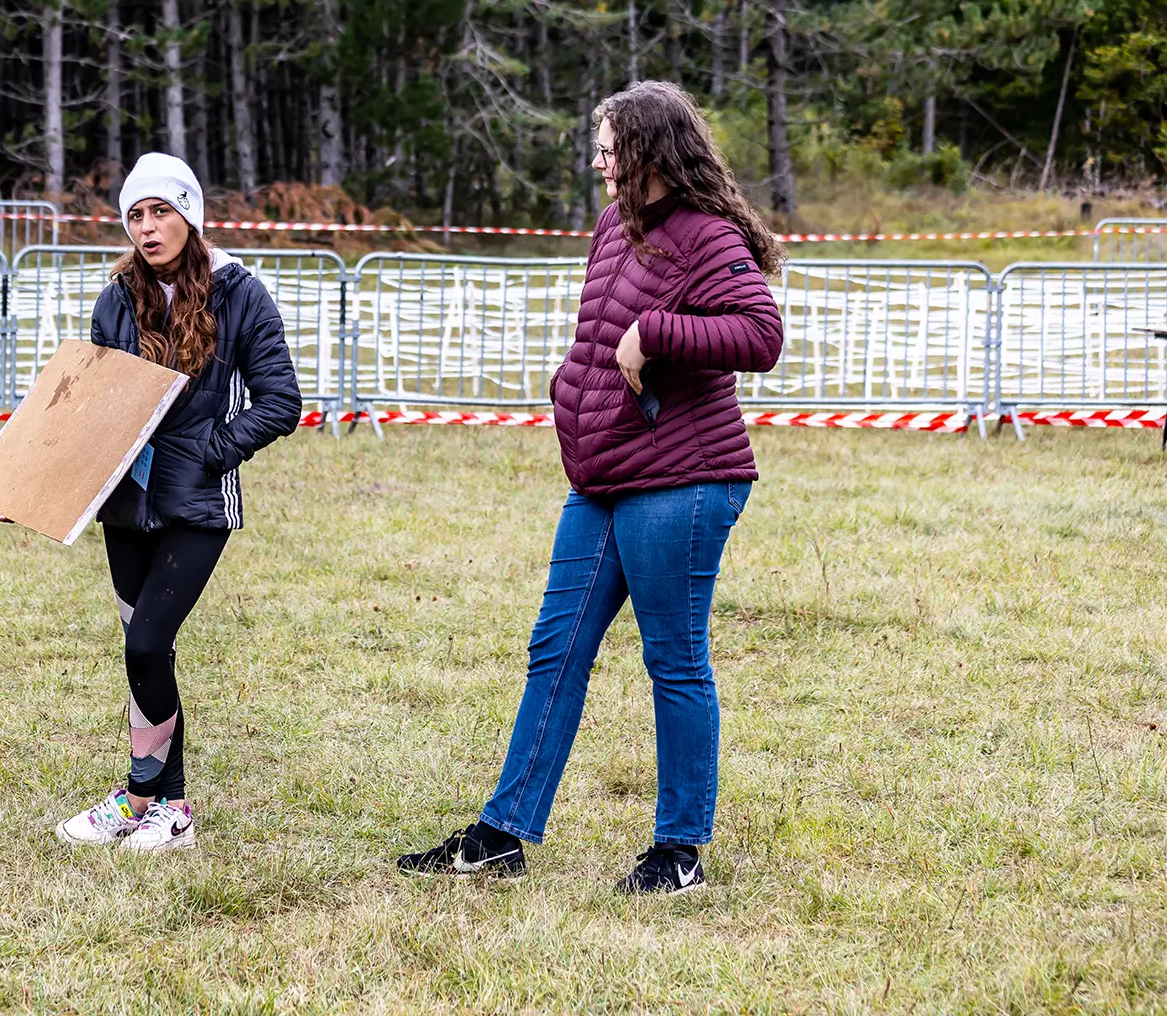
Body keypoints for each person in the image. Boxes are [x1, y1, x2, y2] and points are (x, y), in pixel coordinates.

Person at [397, 81, 785, 894]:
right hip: (604, 475)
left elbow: (759, 333)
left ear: (650, 151)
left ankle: (679, 852)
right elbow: (598, 330)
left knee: (673, 660)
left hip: (683, 478)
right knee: (556, 648)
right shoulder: (614, 227)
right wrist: (570, 382)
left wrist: (658, 333)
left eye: (610, 146)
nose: (599, 160)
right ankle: (502, 833)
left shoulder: (708, 236)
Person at [54, 153, 303, 853]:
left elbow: (282, 401)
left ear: (189, 215)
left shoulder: (240, 294)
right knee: (146, 655)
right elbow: (95, 412)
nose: (147, 226)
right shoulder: (116, 300)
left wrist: (212, 452)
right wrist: (36, 486)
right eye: (135, 214)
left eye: (160, 210)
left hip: (198, 504)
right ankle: (165, 809)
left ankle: (146, 796)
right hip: (126, 504)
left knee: (146, 639)